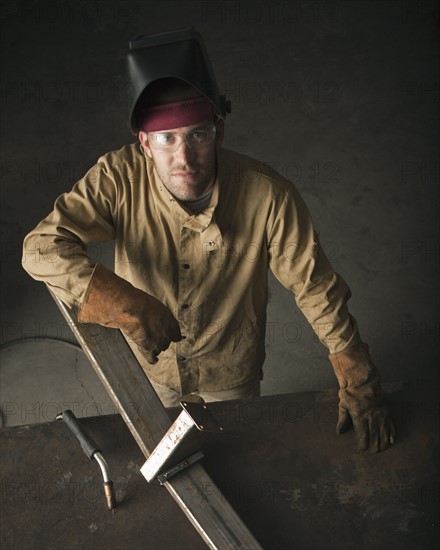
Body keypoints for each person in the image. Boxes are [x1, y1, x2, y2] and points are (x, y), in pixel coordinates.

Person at [22, 28, 395, 453]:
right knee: (157, 460)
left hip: (229, 369)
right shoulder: (117, 179)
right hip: (149, 365)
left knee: (235, 459)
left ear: (218, 131)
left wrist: (356, 372)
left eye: (196, 134)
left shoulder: (267, 194)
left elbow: (314, 285)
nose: (184, 158)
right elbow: (40, 247)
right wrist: (124, 303)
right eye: (166, 138)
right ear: (144, 143)